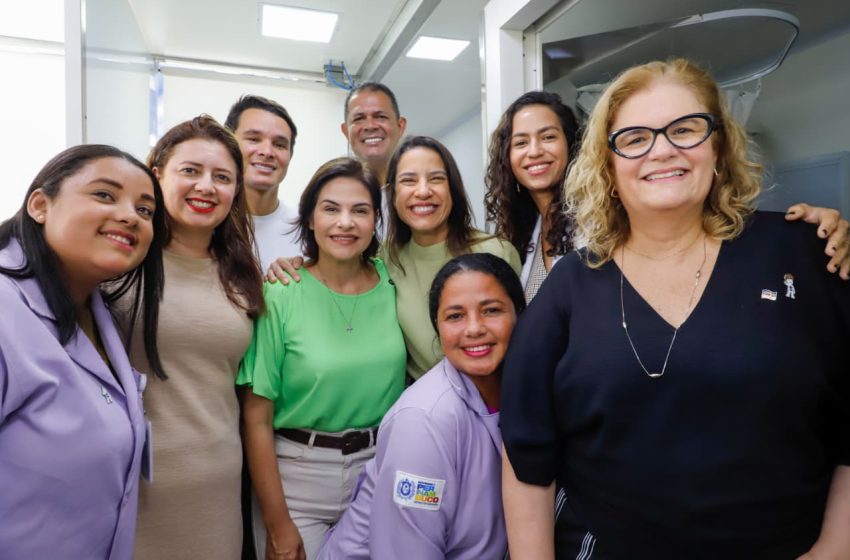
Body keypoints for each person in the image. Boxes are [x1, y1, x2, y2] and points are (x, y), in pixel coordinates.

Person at [500, 58, 850, 559]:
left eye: (685, 129)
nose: (662, 150)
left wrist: (834, 550)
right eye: (636, 138)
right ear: (608, 163)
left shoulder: (805, 255)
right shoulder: (569, 289)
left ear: (719, 145)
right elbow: (527, 461)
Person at [486, 91, 850, 303]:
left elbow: (698, 223)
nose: (534, 151)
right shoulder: (521, 234)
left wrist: (812, 229)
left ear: (573, 144)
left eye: (548, 136)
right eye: (520, 142)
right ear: (508, 158)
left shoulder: (612, 211)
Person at [0, 145, 166, 559]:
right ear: (40, 205)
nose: (130, 216)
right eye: (105, 195)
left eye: (145, 211)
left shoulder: (96, 312)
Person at [238, 157, 406, 560]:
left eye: (360, 211)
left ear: (375, 221)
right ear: (310, 219)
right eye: (330, 209)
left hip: (378, 469)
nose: (345, 222)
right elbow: (256, 419)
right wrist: (278, 524)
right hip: (297, 478)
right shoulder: (282, 292)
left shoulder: (393, 281)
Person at [317, 253, 526, 559]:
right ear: (438, 330)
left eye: (491, 310)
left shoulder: (521, 394)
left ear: (519, 315)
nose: (473, 329)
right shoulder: (424, 421)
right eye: (455, 316)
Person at [130, 116, 265, 560]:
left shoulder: (244, 278)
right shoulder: (119, 264)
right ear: (157, 176)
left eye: (222, 177)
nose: (206, 186)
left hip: (218, 486)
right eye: (190, 171)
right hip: (131, 486)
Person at [384, 135, 522, 380]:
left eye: (436, 179)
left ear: (453, 189)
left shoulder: (495, 252)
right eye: (408, 180)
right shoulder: (385, 260)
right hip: (430, 406)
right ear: (393, 194)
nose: (423, 191)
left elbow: (523, 341)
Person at [225, 95, 301, 271]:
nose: (267, 152)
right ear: (228, 144)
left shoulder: (306, 228)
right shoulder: (207, 223)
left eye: (280, 145)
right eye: (253, 139)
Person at [341, 82, 407, 186]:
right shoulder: (334, 192)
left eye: (380, 117)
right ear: (346, 132)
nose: (370, 126)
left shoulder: (422, 190)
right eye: (359, 118)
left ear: (400, 127)